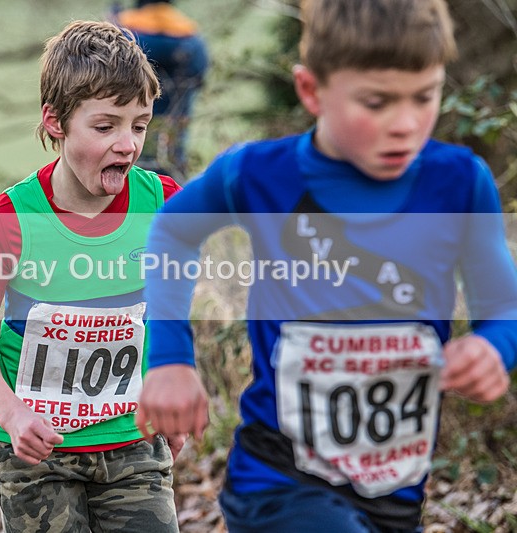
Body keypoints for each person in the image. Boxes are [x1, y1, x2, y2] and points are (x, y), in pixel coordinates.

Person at [136, 1, 517, 531]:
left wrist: (492, 347)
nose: (405, 124)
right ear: (312, 90)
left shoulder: (458, 183)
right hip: (280, 479)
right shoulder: (259, 175)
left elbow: (502, 307)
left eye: (424, 97)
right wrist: (171, 359)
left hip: (393, 489)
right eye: (377, 102)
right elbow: (172, 232)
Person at [0, 20, 184, 533]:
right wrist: (13, 416)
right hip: (38, 455)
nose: (127, 144)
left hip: (134, 442)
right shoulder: (11, 218)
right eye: (105, 127)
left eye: (139, 125)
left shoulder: (163, 203)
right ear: (55, 122)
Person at [117, 0, 208, 181]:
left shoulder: (125, 37)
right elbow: (199, 74)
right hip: (174, 137)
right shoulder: (192, 39)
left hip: (130, 138)